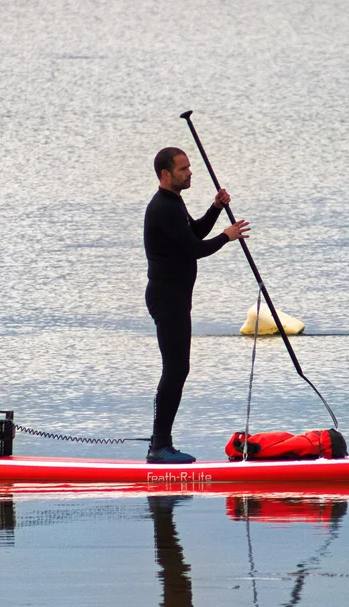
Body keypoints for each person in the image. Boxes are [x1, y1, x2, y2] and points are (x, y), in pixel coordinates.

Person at [143, 147, 250, 464]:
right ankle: (159, 447)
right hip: (167, 298)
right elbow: (194, 248)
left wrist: (216, 208)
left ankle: (161, 443)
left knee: (177, 369)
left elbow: (192, 232)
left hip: (175, 297)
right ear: (166, 175)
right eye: (183, 169)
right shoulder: (162, 207)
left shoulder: (173, 203)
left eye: (190, 167)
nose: (190, 173)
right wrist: (226, 237)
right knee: (175, 370)